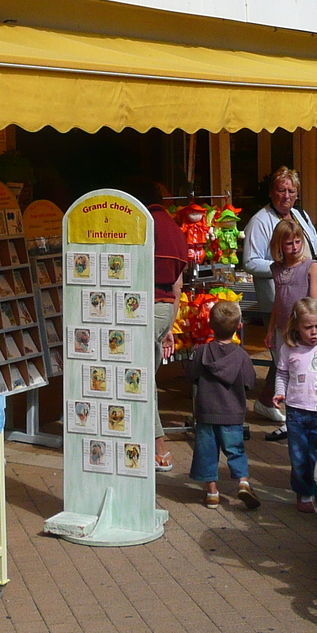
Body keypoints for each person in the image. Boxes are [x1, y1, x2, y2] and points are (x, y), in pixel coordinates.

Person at [242, 167, 317, 423]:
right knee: (287, 355)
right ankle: (293, 407)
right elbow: (250, 261)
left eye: (291, 190)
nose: (286, 195)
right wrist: (285, 267)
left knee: (288, 356)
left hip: (306, 299)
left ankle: (267, 401)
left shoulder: (299, 215)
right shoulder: (260, 221)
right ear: (271, 193)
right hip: (279, 299)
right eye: (281, 190)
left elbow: (315, 241)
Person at [186, 301, 260, 509]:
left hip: (206, 412)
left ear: (210, 325)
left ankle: (212, 493)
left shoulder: (202, 352)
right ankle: (243, 482)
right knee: (235, 450)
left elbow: (190, 375)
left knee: (206, 452)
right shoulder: (242, 356)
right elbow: (249, 382)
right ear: (239, 326)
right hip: (233, 413)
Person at [138, 181, 191, 473]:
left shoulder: (141, 224)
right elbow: (177, 284)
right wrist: (170, 322)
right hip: (165, 308)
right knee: (147, 377)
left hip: (144, 307)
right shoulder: (173, 228)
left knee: (141, 381)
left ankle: (159, 446)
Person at [273, 297, 317, 513]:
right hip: (296, 411)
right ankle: (303, 492)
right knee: (298, 456)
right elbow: (282, 374)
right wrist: (279, 392)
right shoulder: (289, 349)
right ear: (296, 327)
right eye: (307, 327)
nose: (313, 332)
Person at [262, 219, 317, 440]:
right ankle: (289, 420)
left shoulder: (310, 266)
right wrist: (269, 329)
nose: (294, 247)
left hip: (303, 330)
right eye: (289, 244)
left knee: (303, 372)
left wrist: (311, 329)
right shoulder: (276, 268)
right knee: (283, 372)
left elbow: (313, 301)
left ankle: (308, 415)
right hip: (282, 329)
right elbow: (278, 300)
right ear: (279, 245)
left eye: (298, 242)